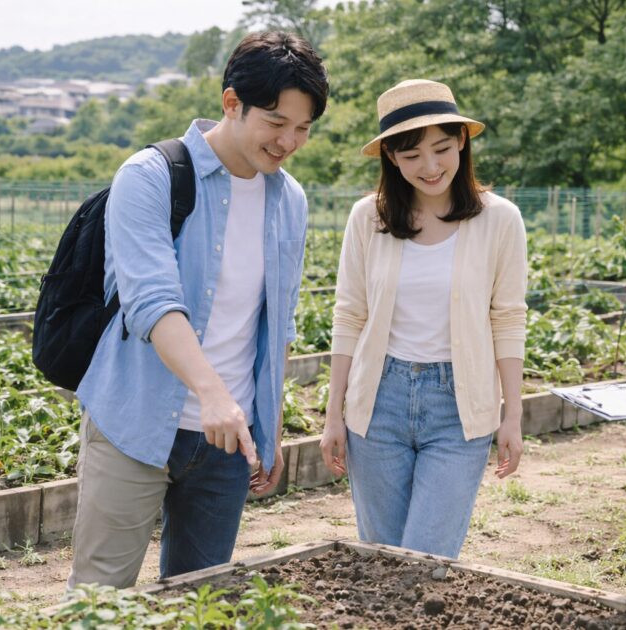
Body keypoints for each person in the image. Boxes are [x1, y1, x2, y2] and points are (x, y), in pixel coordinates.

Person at [68, 32, 329, 588]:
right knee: (98, 598)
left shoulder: (290, 200)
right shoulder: (149, 175)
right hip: (135, 420)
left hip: (227, 443)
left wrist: (268, 425)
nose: (289, 141)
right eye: (276, 122)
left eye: (303, 128)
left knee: (200, 601)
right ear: (232, 103)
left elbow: (277, 322)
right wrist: (213, 395)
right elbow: (152, 302)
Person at [319, 79, 528, 559]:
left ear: (462, 141)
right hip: (378, 402)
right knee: (382, 559)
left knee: (427, 560)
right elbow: (349, 314)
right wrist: (333, 416)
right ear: (392, 157)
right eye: (412, 155)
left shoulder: (500, 220)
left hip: (459, 408)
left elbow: (508, 319)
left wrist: (512, 415)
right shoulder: (367, 218)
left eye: (441, 149)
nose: (430, 167)